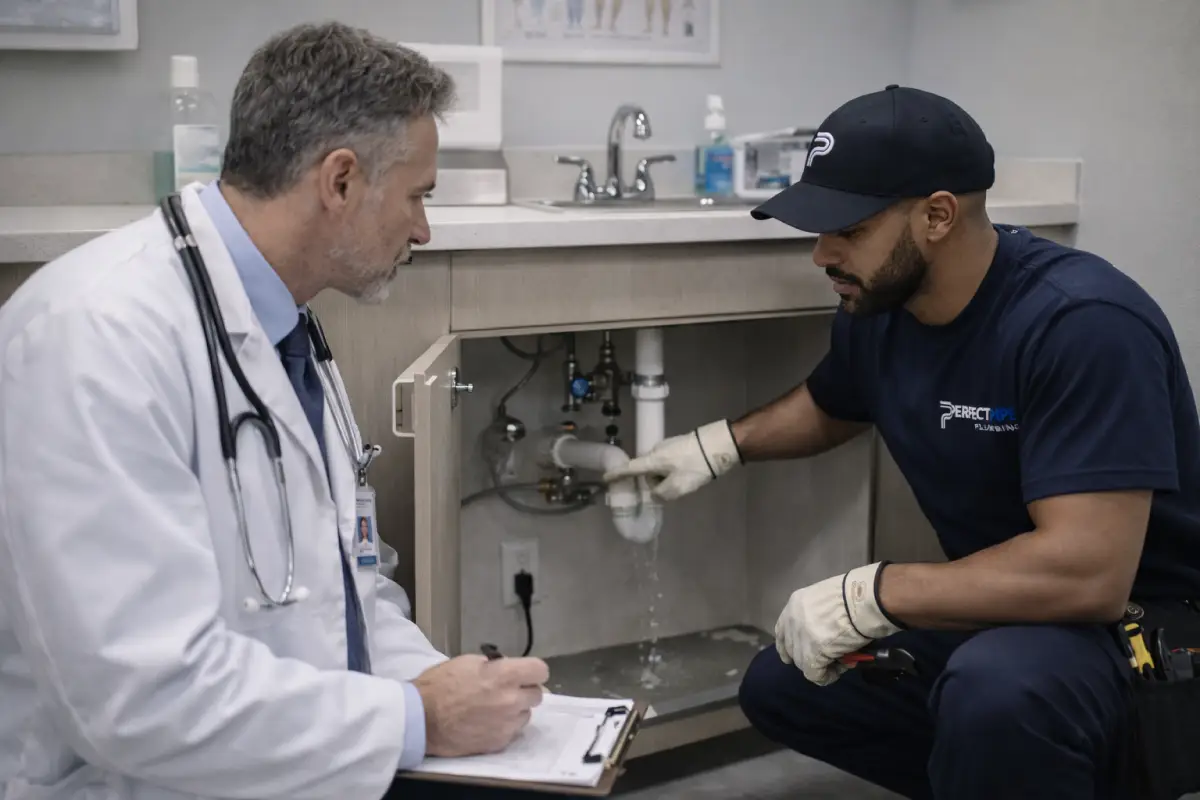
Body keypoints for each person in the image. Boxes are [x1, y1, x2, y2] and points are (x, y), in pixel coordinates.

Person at [0, 22, 548, 800]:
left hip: (290, 757)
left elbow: (348, 589)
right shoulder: (95, 339)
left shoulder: (284, 332)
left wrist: (443, 690)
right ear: (340, 181)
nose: (423, 230)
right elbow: (136, 697)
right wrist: (414, 718)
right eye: (418, 197)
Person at [604, 84, 1200, 799]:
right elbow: (836, 402)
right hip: (1011, 614)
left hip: (1146, 637)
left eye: (847, 229)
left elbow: (1090, 576)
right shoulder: (880, 304)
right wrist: (717, 446)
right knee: (784, 679)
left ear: (938, 215)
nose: (821, 254)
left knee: (996, 695)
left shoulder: (1082, 325)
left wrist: (876, 593)